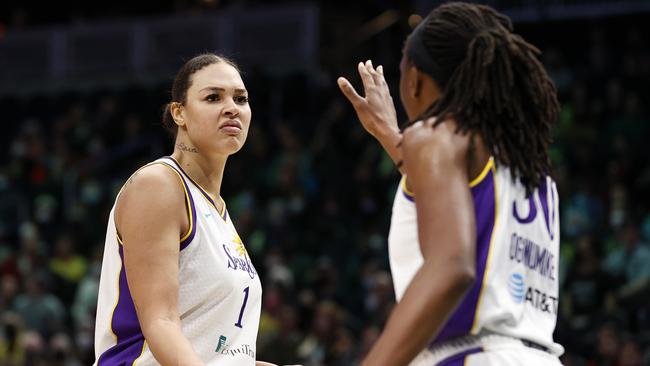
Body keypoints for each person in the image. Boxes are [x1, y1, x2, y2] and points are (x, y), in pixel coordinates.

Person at [338, 2, 563, 365]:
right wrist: (389, 134)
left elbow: (452, 266)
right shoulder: (527, 164)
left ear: (414, 80)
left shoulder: (434, 136)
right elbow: (450, 192)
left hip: (470, 355)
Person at [93, 53, 277, 366]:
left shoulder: (215, 208)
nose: (232, 107)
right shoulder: (159, 185)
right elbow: (160, 324)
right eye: (213, 97)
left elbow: (218, 354)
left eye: (241, 98)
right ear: (179, 112)